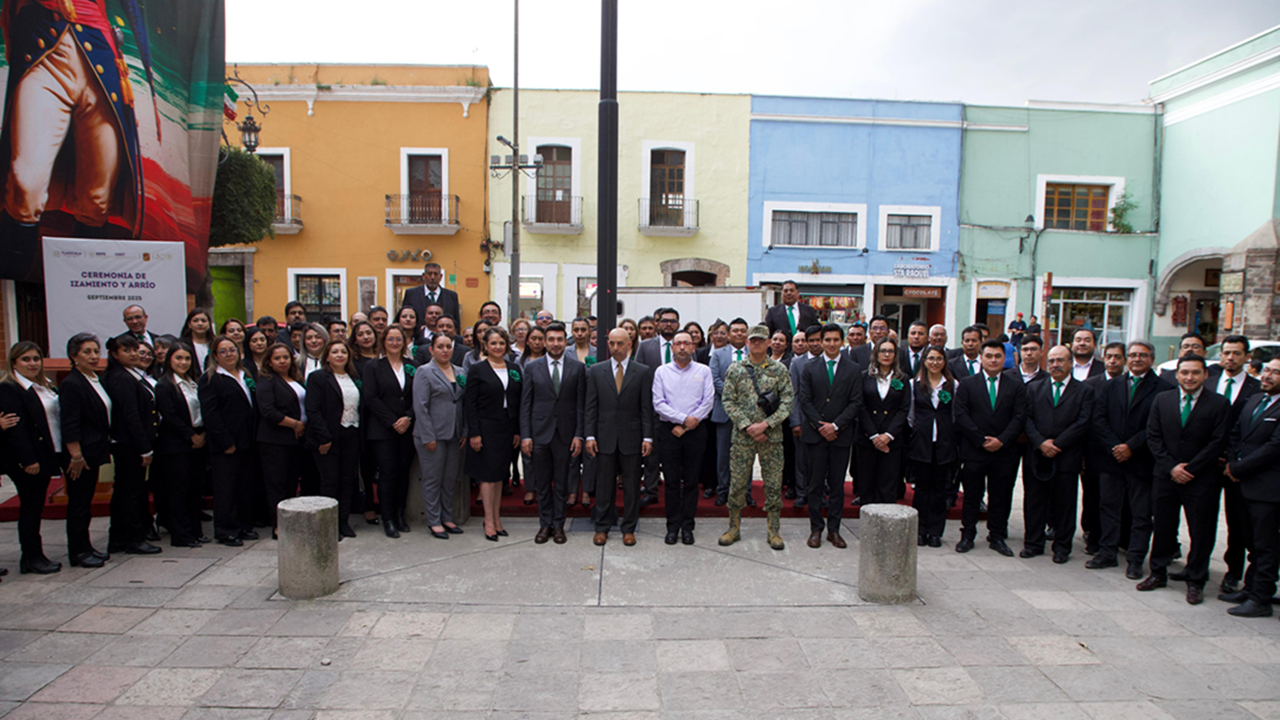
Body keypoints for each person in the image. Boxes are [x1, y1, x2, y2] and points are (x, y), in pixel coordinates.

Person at [1140, 355, 1230, 605]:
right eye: (1185, 373)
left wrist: (1191, 468)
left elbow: (1218, 441)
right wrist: (1171, 467)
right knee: (1163, 526)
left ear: (1205, 375)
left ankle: (1196, 580)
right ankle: (1157, 573)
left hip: (1201, 478)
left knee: (1201, 531)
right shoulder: (1163, 399)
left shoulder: (1219, 404)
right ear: (1177, 374)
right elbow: (1153, 436)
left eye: (1195, 373)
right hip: (1166, 476)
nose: (1189, 377)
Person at [1087, 341, 1173, 578]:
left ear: (1151, 359)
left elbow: (1156, 426)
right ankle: (1107, 552)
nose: (1137, 359)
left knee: (1141, 513)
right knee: (1108, 507)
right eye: (1133, 355)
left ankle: (1135, 558)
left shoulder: (1164, 389)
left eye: (1142, 355)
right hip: (1111, 458)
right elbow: (1099, 419)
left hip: (1141, 460)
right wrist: (1115, 446)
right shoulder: (1111, 386)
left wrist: (1131, 447)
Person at [718, 325, 794, 550]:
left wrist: (765, 425)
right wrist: (747, 425)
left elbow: (788, 401)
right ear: (748, 342)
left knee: (772, 484)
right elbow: (728, 401)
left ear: (769, 342)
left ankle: (773, 531)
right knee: (738, 484)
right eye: (753, 340)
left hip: (771, 438)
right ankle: (733, 528)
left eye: (761, 340)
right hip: (743, 437)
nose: (757, 343)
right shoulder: (736, 369)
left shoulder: (779, 370)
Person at [954, 339, 1028, 557]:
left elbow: (1019, 416)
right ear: (982, 357)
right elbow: (961, 415)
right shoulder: (967, 384)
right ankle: (967, 534)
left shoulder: (1015, 384)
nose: (993, 360)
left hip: (1005, 451)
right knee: (971, 495)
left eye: (998, 356)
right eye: (989, 356)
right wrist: (981, 439)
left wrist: (1002, 440)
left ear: (1004, 358)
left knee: (1001, 495)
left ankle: (996, 536)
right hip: (975, 450)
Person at [1022, 345, 1095, 563]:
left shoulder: (1084, 391)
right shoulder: (1034, 388)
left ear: (1071, 363)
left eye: (1061, 360)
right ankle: (1033, 543)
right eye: (1052, 361)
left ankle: (1062, 547)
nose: (1056, 365)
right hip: (1037, 454)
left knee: (1064, 503)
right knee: (1034, 501)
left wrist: (1058, 443)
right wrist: (1041, 442)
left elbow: (1083, 422)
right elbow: (1025, 418)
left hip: (1067, 456)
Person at [584, 328, 654, 547]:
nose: (615, 348)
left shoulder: (642, 372)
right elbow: (591, 407)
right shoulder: (596, 371)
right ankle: (602, 527)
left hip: (632, 437)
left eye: (620, 343)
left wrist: (648, 438)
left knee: (632, 486)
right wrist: (590, 435)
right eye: (612, 343)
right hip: (604, 437)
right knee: (604, 485)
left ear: (629, 345)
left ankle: (629, 528)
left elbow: (646, 408)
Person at [1222, 358, 1280, 617]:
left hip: (1268, 488)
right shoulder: (1256, 399)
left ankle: (1261, 599)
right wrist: (1233, 463)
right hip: (1243, 484)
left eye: (1276, 373)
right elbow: (1237, 434)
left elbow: (1274, 449)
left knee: (1266, 544)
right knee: (1252, 542)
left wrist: (1238, 468)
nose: (1268, 375)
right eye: (1267, 370)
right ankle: (1251, 586)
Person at [520, 322, 587, 544]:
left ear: (565, 340)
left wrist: (579, 435)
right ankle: (544, 525)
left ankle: (559, 525)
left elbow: (580, 405)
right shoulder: (532, 367)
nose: (555, 344)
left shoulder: (577, 368)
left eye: (560, 339)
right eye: (551, 339)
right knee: (542, 483)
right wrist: (526, 435)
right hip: (539, 434)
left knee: (561, 483)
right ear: (544, 342)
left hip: (565, 435)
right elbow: (526, 404)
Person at [798, 323, 862, 549]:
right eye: (827, 340)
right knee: (814, 485)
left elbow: (856, 402)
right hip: (815, 437)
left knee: (837, 486)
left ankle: (834, 530)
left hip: (841, 437)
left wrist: (836, 426)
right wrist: (821, 426)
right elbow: (804, 400)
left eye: (836, 340)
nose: (832, 344)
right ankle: (816, 528)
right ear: (821, 342)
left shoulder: (853, 369)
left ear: (842, 342)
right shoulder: (809, 367)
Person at [0, 342, 62, 573]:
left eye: (36, 358)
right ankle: (31, 557)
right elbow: (17, 429)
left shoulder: (41, 385)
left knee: (35, 507)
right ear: (14, 362)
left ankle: (34, 555)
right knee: (30, 508)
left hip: (44, 454)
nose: (32, 363)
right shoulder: (10, 387)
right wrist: (28, 461)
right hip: (27, 460)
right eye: (26, 359)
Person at [1208, 335, 1261, 594]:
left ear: (1246, 357)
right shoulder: (1207, 382)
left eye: (1236, 353)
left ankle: (1233, 571)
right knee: (1202, 517)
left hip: (1235, 466)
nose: (1230, 358)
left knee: (1237, 521)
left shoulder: (1257, 389)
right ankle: (1197, 565)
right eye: (1226, 352)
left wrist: (1233, 460)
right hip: (1205, 463)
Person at [652, 331, 714, 545]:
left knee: (691, 482)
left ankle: (688, 527)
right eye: (678, 344)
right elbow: (659, 403)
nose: (682, 347)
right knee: (670, 482)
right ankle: (672, 527)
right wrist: (681, 420)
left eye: (686, 343)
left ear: (693, 347)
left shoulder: (703, 371)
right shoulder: (662, 372)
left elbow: (708, 401)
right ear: (672, 348)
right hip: (669, 432)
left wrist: (687, 425)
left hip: (696, 432)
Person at [102, 335, 161, 556]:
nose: (134, 354)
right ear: (115, 355)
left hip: (134, 442)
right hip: (129, 445)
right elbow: (131, 416)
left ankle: (118, 539)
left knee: (128, 492)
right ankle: (133, 539)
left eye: (135, 349)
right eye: (127, 351)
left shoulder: (133, 374)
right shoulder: (120, 378)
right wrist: (145, 448)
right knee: (130, 494)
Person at [199, 335, 258, 547]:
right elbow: (211, 415)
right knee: (226, 489)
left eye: (232, 350)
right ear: (215, 355)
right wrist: (225, 441)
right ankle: (226, 530)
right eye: (223, 351)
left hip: (248, 440)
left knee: (244, 486)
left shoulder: (246, 374)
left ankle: (243, 525)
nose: (228, 354)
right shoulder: (211, 379)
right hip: (227, 444)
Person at [59, 334, 112, 568]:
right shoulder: (72, 383)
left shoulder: (94, 378)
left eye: (96, 351)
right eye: (87, 352)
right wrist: (76, 456)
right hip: (81, 456)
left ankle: (86, 545)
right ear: (74, 356)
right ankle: (78, 552)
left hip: (95, 450)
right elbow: (70, 423)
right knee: (79, 505)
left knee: (86, 502)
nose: (93, 356)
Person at [464, 328, 522, 541]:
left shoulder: (514, 368)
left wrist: (517, 430)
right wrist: (474, 433)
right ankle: (488, 520)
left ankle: (497, 519)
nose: (498, 347)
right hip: (485, 428)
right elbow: (470, 404)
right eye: (493, 343)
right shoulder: (477, 369)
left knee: (499, 475)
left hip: (506, 428)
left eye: (501, 343)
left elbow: (517, 401)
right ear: (485, 346)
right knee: (487, 476)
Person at [362, 325, 417, 538]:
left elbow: (418, 395)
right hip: (383, 430)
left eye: (398, 339)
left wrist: (409, 417)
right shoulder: (373, 366)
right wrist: (393, 421)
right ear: (384, 342)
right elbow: (371, 397)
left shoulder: (412, 365)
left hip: (407, 428)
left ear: (404, 342)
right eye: (390, 339)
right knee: (387, 474)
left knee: (404, 474)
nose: (395, 343)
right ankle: (387, 518)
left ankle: (400, 515)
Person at [152, 342, 207, 548]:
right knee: (179, 491)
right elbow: (170, 415)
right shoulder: (165, 385)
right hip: (176, 445)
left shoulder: (193, 382)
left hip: (198, 442)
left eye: (186, 358)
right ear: (169, 360)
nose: (183, 362)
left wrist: (201, 435)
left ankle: (195, 531)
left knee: (195, 489)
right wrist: (190, 436)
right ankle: (181, 535)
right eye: (178, 358)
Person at [307, 339, 363, 539]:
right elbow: (312, 410)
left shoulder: (353, 377)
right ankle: (327, 526)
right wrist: (324, 437)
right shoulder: (318, 377)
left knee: (348, 480)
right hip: (328, 437)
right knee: (330, 481)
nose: (340, 355)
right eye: (335, 352)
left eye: (344, 352)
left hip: (351, 434)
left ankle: (343, 521)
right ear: (327, 356)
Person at [413, 334, 466, 539]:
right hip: (432, 435)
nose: (445, 350)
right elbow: (420, 406)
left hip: (454, 433)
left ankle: (447, 517)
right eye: (440, 346)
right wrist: (428, 436)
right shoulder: (424, 372)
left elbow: (462, 403)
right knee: (432, 479)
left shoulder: (460, 372)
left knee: (449, 479)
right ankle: (434, 520)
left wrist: (464, 431)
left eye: (448, 347)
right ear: (431, 349)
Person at [256, 343, 312, 539]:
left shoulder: (295, 378)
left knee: (290, 484)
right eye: (277, 358)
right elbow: (268, 411)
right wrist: (295, 424)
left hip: (295, 441)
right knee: (276, 485)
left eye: (285, 357)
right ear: (269, 362)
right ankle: (278, 525)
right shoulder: (267, 381)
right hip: (274, 440)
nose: (282, 361)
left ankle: (290, 521)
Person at [1080, 341, 1127, 555]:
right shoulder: (1090, 384)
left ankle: (1120, 539)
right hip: (1096, 452)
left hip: (1127, 453)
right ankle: (1094, 536)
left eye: (1118, 357)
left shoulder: (1130, 383)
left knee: (1123, 501)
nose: (1113, 361)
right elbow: (1088, 419)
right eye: (1109, 356)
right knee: (1094, 498)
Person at [908, 346, 957, 548]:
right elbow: (910, 415)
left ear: (944, 361)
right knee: (921, 489)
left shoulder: (953, 385)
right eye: (931, 358)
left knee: (939, 489)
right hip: (921, 443)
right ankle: (920, 531)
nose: (934, 362)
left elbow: (955, 414)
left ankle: (935, 532)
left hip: (944, 444)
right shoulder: (914, 384)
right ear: (924, 361)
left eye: (939, 358)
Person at [856, 337, 910, 507]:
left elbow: (904, 409)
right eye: (883, 350)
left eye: (891, 351)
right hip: (867, 438)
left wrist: (888, 435)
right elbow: (860, 406)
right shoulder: (864, 377)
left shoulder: (903, 379)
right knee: (866, 485)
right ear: (875, 353)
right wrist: (873, 435)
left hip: (891, 441)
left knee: (888, 485)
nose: (886, 354)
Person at [636, 307, 680, 506]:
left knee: (675, 453)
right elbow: (638, 376)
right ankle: (651, 490)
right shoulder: (646, 347)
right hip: (652, 408)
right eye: (665, 321)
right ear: (658, 324)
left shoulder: (683, 345)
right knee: (651, 454)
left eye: (672, 321)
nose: (668, 324)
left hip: (678, 411)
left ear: (678, 325)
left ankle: (675, 488)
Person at [711, 318, 752, 507]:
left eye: (742, 331)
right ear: (728, 334)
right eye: (735, 331)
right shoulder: (718, 354)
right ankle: (723, 490)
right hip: (724, 411)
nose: (739, 334)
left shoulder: (754, 353)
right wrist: (731, 397)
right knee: (723, 455)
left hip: (748, 413)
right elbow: (715, 378)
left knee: (746, 454)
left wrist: (744, 401)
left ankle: (746, 492)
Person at [789, 325, 821, 508]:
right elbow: (793, 393)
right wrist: (795, 421)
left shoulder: (830, 362)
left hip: (824, 421)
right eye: (812, 340)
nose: (815, 343)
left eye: (818, 339)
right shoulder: (797, 363)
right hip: (802, 419)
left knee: (820, 461)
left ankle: (819, 492)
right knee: (801, 459)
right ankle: (802, 493)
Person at [402, 262, 462, 326]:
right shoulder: (411, 294)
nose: (432, 277)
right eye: (429, 274)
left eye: (435, 274)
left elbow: (456, 322)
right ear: (424, 276)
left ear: (441, 277)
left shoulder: (451, 296)